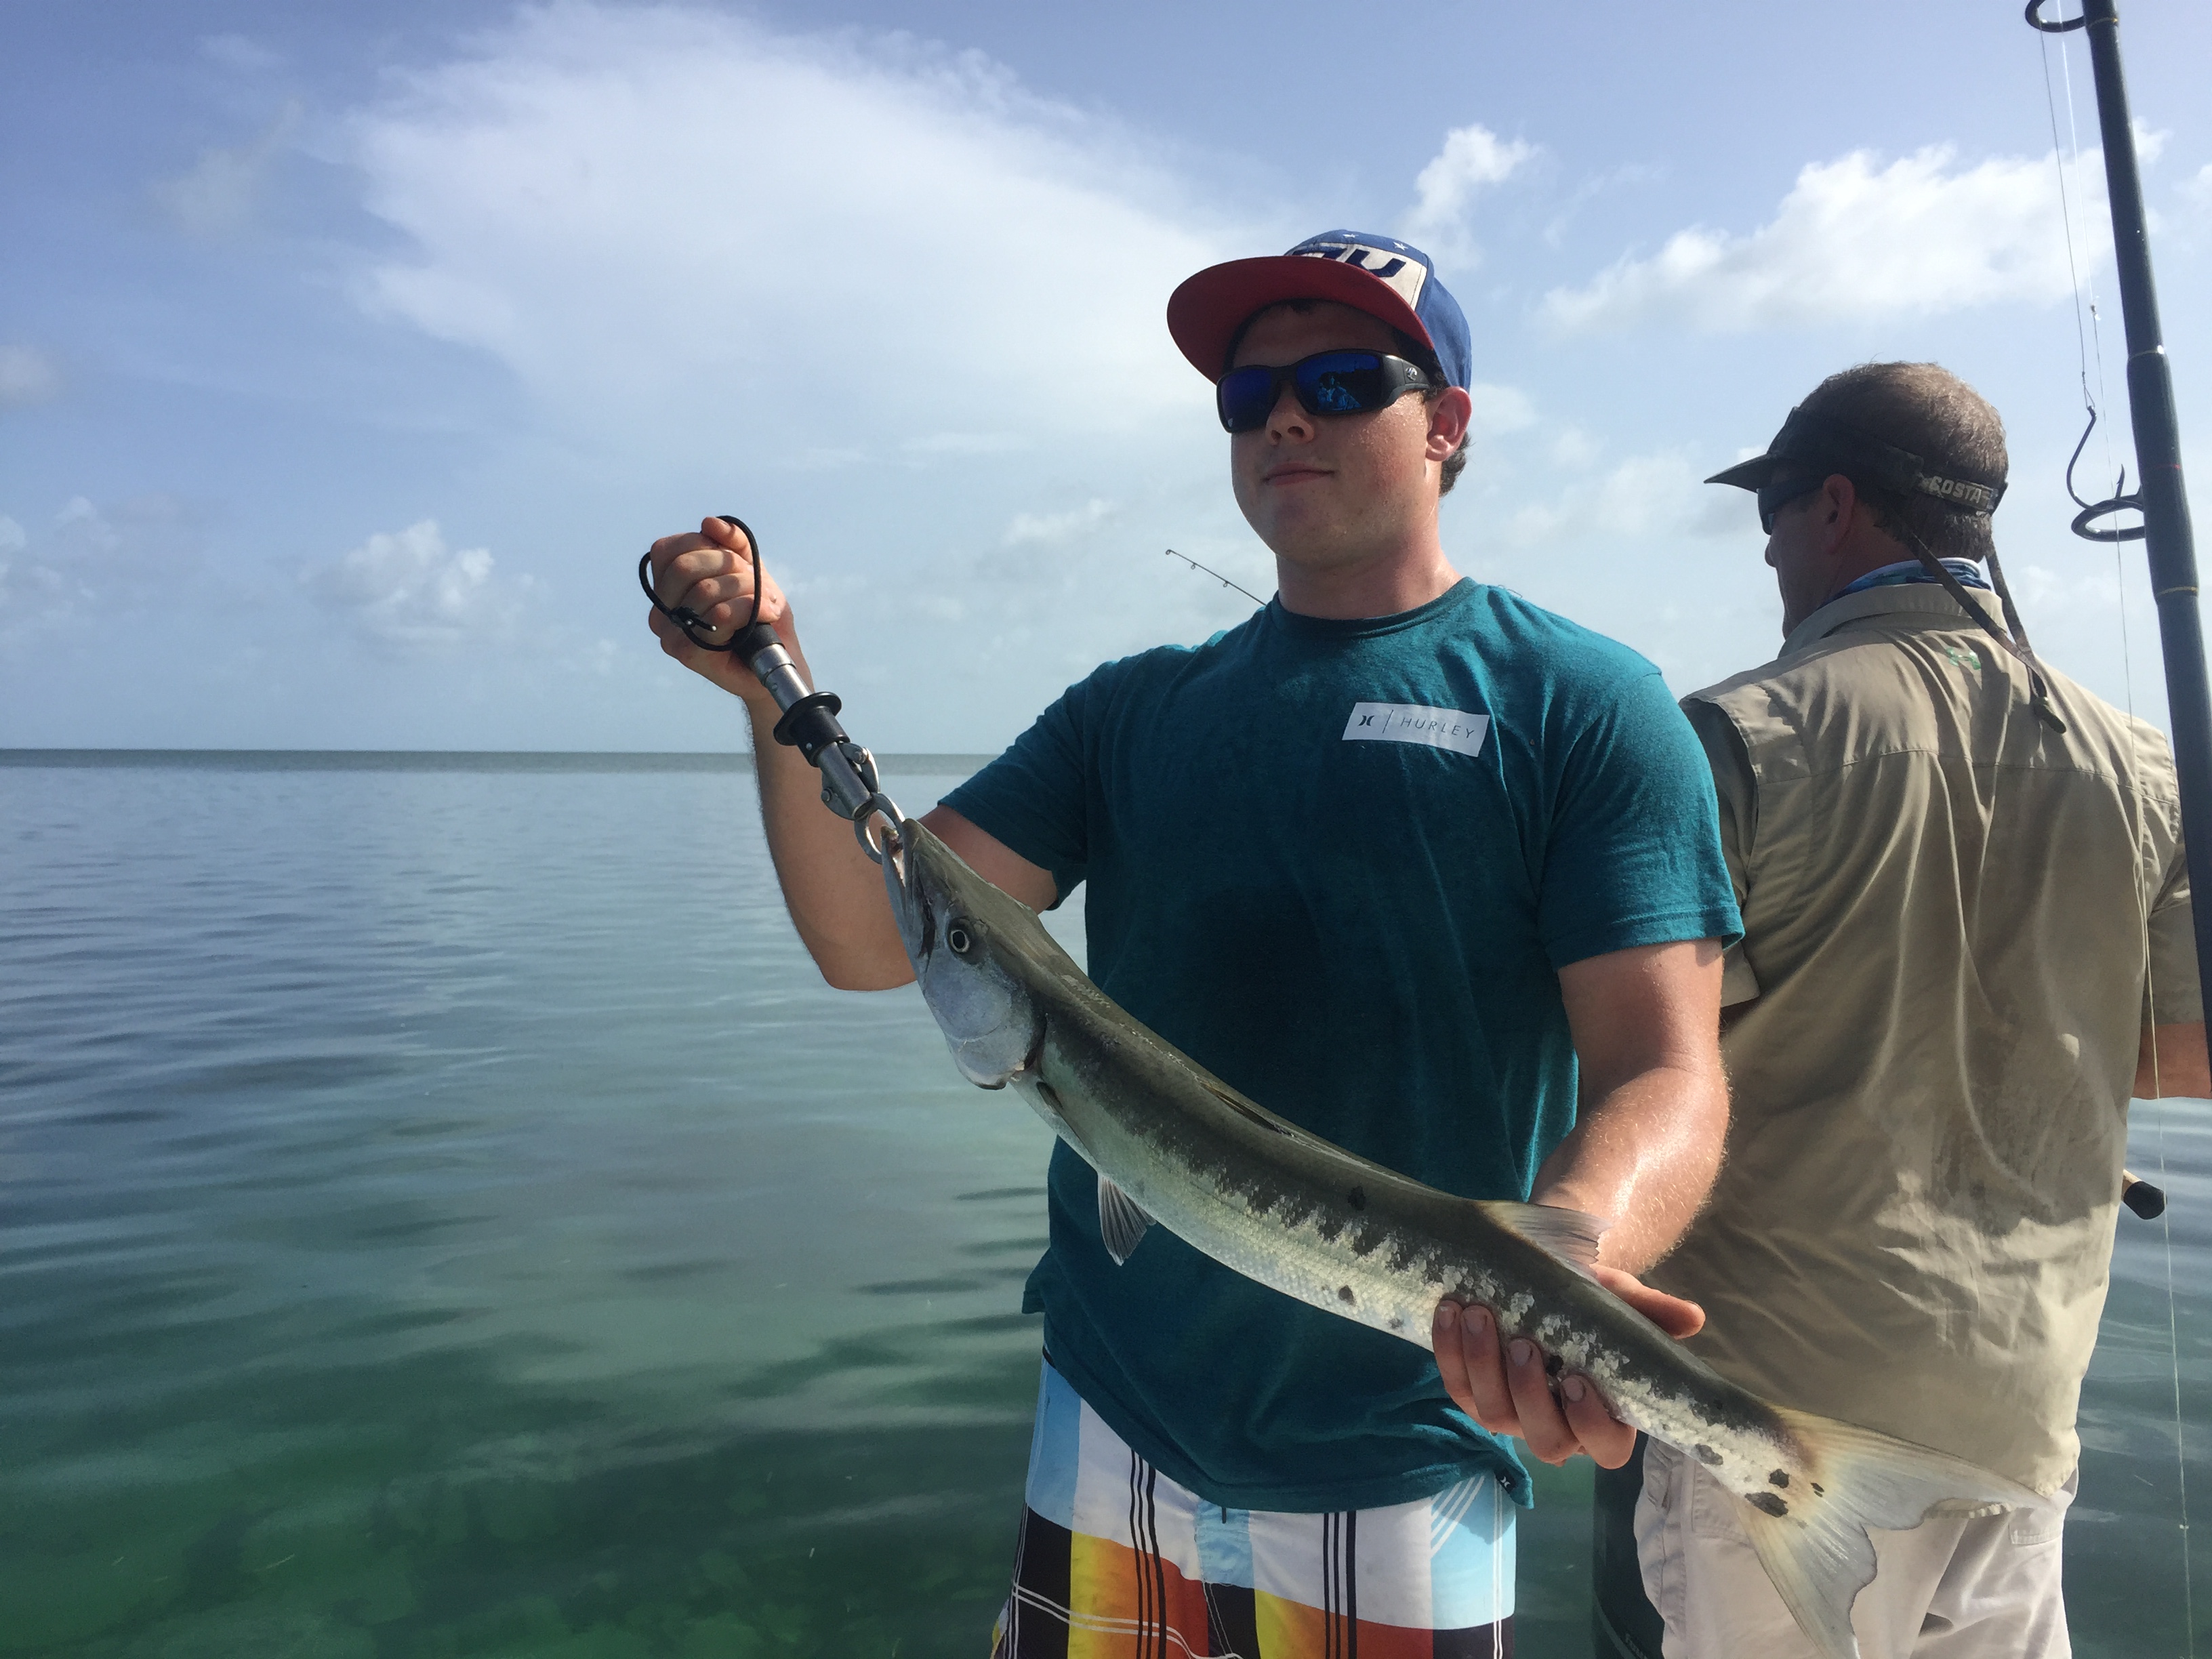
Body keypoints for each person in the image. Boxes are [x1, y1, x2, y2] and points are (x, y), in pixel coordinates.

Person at [644, 231, 1742, 1654]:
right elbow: (881, 939)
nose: (1287, 414)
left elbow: (1669, 1071)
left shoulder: (1585, 703)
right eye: (1250, 393)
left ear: (1448, 425)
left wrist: (1570, 1261)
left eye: (1347, 381)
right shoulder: (1129, 713)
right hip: (1104, 1417)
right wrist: (763, 693)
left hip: (1402, 1451)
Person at [1590, 361, 2211, 1659]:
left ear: (1832, 507)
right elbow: (2186, 1060)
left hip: (1775, 1439)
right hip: (2021, 1423)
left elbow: (1650, 1060)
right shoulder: (2151, 766)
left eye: (1769, 514)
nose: (1765, 549)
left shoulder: (1728, 738)